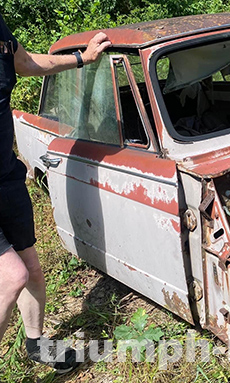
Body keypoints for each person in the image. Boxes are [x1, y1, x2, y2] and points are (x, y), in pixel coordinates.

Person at [0, 14, 111, 373]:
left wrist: (83, 59)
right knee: (12, 276)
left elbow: (26, 62)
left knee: (31, 267)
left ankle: (36, 344)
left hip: (6, 178)